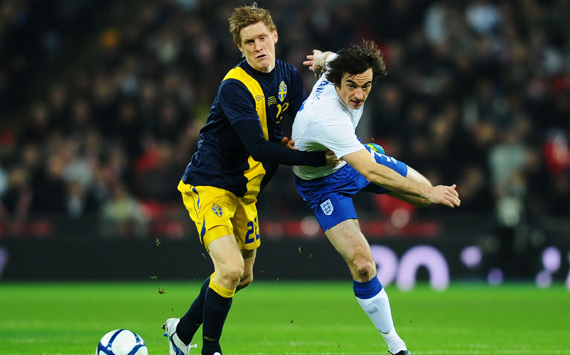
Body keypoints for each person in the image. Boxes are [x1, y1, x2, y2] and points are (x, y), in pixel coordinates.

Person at [162, 3, 337, 355]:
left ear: (275, 36)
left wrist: (328, 75)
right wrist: (314, 158)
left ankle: (180, 333)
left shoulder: (288, 76)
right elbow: (258, 147)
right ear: (239, 48)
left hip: (245, 193)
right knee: (228, 269)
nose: (258, 46)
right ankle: (209, 348)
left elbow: (303, 125)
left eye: (262, 38)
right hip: (209, 184)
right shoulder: (235, 87)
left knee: (242, 277)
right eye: (248, 42)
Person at [292, 41, 461, 355]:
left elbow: (328, 58)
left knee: (422, 200)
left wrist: (319, 58)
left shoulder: (338, 65)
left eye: (366, 86)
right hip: (324, 183)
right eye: (351, 87)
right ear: (336, 81)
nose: (358, 95)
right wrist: (429, 190)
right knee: (363, 264)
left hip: (350, 158)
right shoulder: (327, 118)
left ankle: (371, 154)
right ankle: (396, 345)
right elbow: (370, 171)